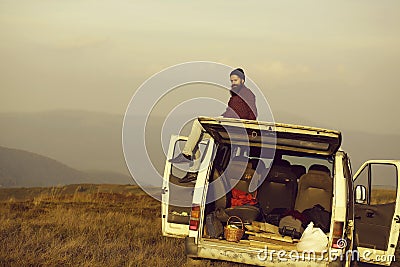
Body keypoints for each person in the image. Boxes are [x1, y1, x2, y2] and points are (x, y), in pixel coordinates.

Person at [169, 68, 258, 182]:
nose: (233, 83)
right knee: (195, 138)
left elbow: (252, 114)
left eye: (235, 80)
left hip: (232, 127)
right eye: (231, 81)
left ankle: (186, 154)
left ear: (242, 80)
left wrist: (243, 126)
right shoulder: (235, 96)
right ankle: (193, 171)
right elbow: (230, 111)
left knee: (198, 122)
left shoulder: (248, 94)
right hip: (226, 125)